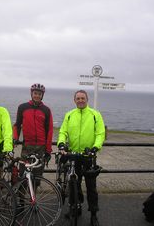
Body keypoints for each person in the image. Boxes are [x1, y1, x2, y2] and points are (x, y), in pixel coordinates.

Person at [57, 90, 105, 226]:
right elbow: (63, 131)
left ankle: (94, 214)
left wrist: (95, 147)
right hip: (73, 156)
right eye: (78, 98)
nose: (80, 100)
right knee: (74, 186)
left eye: (82, 98)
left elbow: (100, 133)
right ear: (74, 100)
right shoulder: (70, 115)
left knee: (91, 188)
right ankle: (75, 208)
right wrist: (61, 143)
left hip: (88, 156)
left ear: (87, 99)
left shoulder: (95, 115)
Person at [13, 83, 53, 178]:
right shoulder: (22, 107)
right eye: (35, 93)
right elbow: (17, 125)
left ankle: (33, 192)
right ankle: (21, 193)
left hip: (41, 147)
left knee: (37, 175)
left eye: (39, 94)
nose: (37, 96)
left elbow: (49, 130)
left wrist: (48, 150)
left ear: (42, 95)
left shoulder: (46, 110)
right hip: (27, 146)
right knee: (23, 173)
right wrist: (15, 139)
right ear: (31, 94)